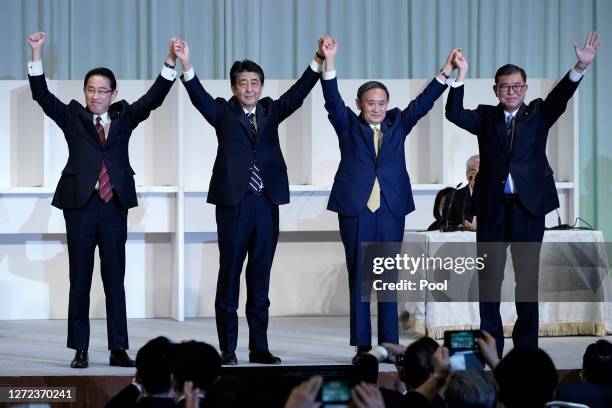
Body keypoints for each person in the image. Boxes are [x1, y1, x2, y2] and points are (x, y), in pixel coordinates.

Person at [27, 31, 178, 368]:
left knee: (114, 278)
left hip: (113, 207)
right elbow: (41, 94)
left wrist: (170, 62)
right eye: (91, 90)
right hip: (79, 206)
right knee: (79, 278)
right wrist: (36, 54)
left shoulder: (124, 117)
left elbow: (153, 98)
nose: (96, 96)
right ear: (84, 92)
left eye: (102, 90)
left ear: (113, 94)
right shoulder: (71, 116)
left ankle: (118, 347)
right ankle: (80, 348)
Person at [445, 32, 601, 356]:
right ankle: (490, 347)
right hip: (491, 209)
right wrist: (459, 76)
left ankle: (527, 348)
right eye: (505, 86)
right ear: (496, 90)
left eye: (517, 86)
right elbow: (454, 113)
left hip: (528, 208)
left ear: (525, 89)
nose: (511, 92)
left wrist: (579, 67)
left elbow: (561, 97)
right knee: (489, 281)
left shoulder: (539, 114)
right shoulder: (487, 117)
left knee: (527, 281)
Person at [174, 38, 325, 365]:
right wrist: (185, 64)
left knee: (260, 276)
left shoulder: (271, 111)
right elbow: (197, 95)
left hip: (266, 203)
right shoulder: (222, 112)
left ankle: (259, 347)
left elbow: (298, 93)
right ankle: (227, 349)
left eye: (255, 82)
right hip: (234, 205)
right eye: (243, 83)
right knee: (229, 274)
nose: (249, 88)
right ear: (233, 87)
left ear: (261, 86)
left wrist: (318, 59)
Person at [319, 36, 460, 363]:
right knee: (360, 279)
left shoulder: (398, 124)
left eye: (381, 102)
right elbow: (330, 98)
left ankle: (390, 346)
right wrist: (329, 61)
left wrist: (447, 70)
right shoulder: (347, 126)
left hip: (390, 210)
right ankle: (363, 348)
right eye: (370, 103)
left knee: (387, 278)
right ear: (359, 104)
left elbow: (424, 102)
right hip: (355, 210)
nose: (377, 108)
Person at [446, 154, 479, 231]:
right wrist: (460, 227)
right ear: (467, 174)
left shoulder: (496, 196)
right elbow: (448, 225)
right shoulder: (455, 196)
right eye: (473, 173)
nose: (477, 177)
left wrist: (475, 228)